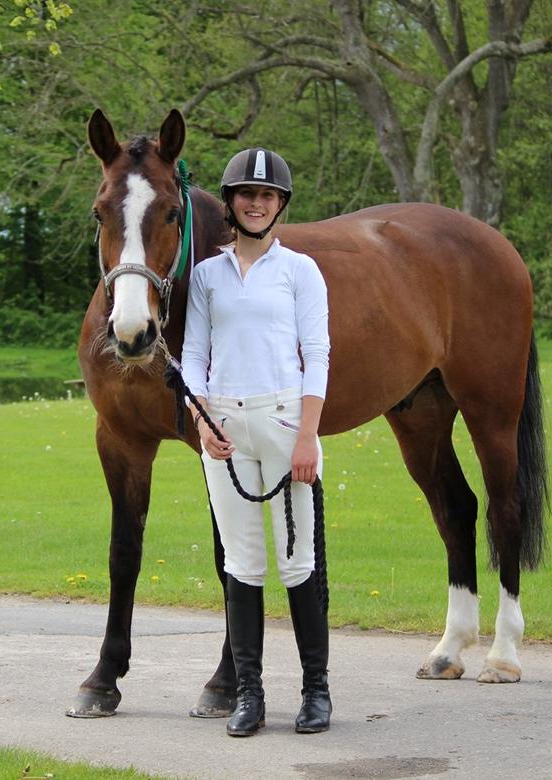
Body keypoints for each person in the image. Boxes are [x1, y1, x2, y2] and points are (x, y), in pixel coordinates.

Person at [181, 148, 331, 737]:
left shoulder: (301, 271)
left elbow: (317, 355)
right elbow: (194, 355)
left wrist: (308, 439)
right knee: (240, 565)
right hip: (225, 427)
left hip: (286, 423)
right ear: (231, 202)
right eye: (247, 194)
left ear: (280, 205)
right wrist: (201, 422)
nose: (257, 202)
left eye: (267, 195)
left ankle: (316, 691)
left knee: (298, 564)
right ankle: (248, 695)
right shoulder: (207, 277)